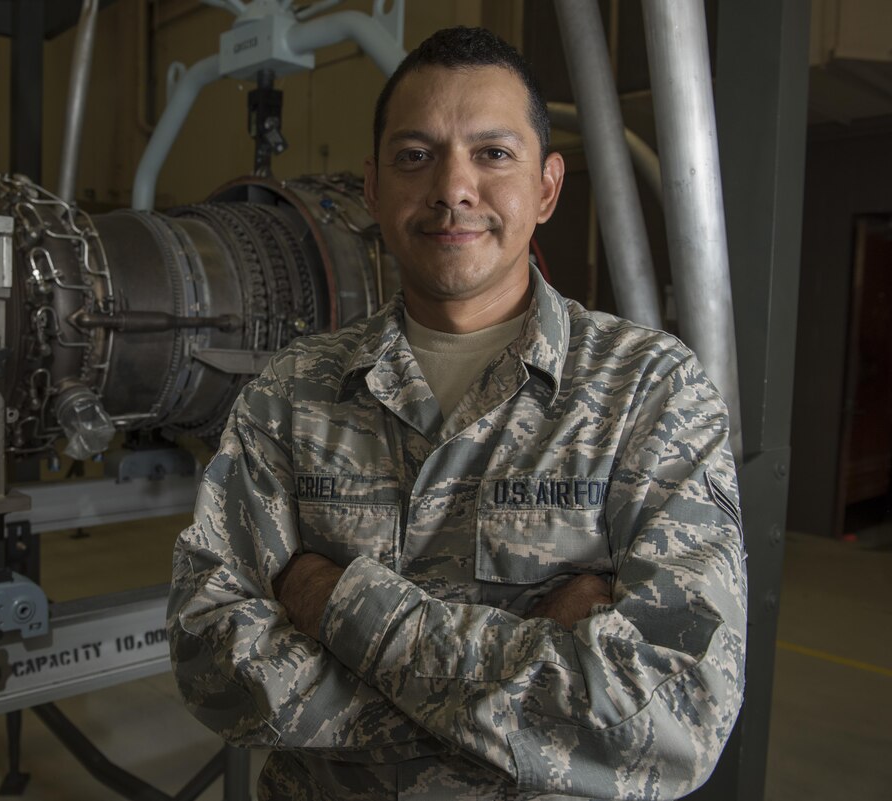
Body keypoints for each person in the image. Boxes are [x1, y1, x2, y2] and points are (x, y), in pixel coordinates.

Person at [168, 25, 746, 801]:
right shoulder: (293, 393)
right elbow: (211, 661)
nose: (452, 188)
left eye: (493, 153)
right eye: (416, 155)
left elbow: (676, 716)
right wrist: (528, 686)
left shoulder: (650, 392)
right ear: (373, 189)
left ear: (547, 187)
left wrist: (334, 601)